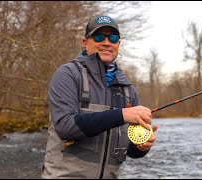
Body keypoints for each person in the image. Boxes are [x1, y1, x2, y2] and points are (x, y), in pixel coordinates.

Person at [41, 15, 158, 179]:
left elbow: (129, 149)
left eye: (113, 37)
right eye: (98, 36)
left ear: (118, 43)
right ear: (85, 43)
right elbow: (65, 127)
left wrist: (141, 147)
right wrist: (122, 114)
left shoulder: (128, 89)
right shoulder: (67, 74)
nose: (106, 42)